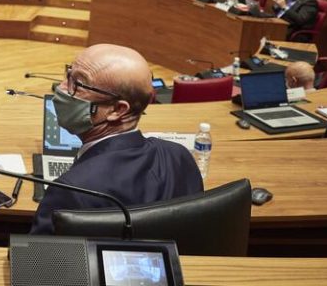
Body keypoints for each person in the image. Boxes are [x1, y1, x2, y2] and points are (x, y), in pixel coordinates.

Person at [30, 44, 203, 235]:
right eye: (68, 75)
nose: (61, 88)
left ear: (117, 110)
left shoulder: (69, 190)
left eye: (77, 84)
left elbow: (37, 253)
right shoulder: (179, 156)